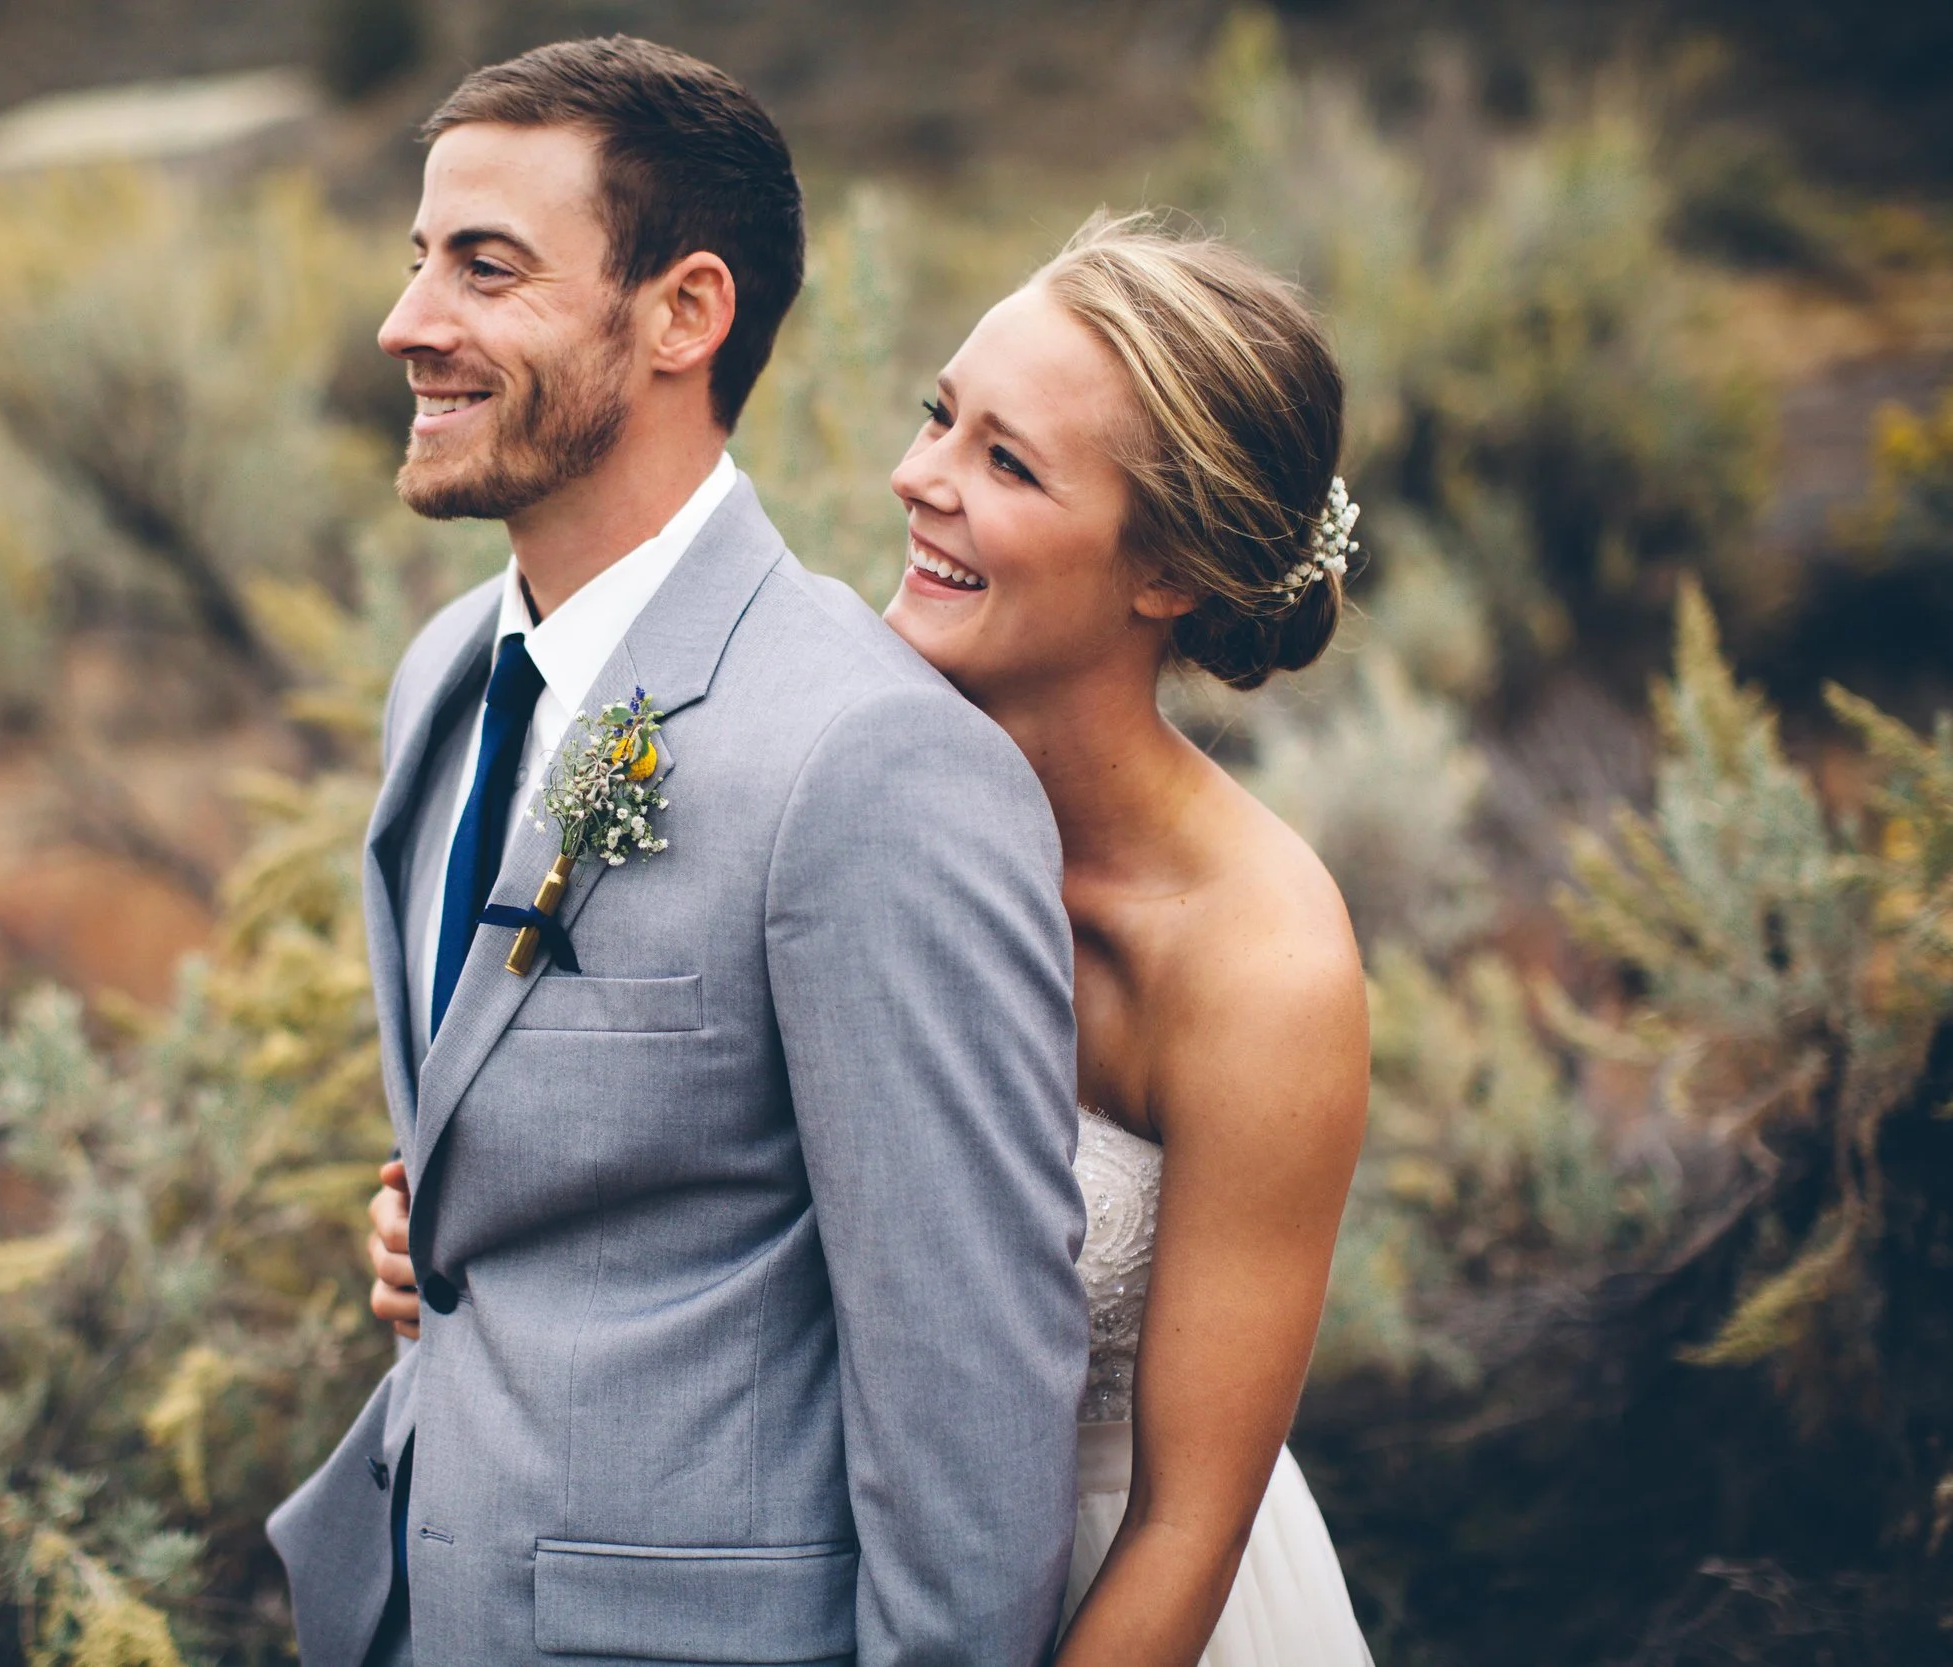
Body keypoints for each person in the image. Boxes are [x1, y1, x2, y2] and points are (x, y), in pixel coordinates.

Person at [368, 210, 1379, 1665]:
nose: (921, 482)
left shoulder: (1256, 962)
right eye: (939, 418)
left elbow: (1187, 1525)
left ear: (1163, 570)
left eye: (1007, 463)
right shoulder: (797, 756)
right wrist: (460, 1225)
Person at [268, 36, 1087, 1667]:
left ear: (683, 315)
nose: (407, 322)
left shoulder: (867, 762)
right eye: (418, 258)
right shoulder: (445, 673)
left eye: (484, 269)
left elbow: (969, 1413)